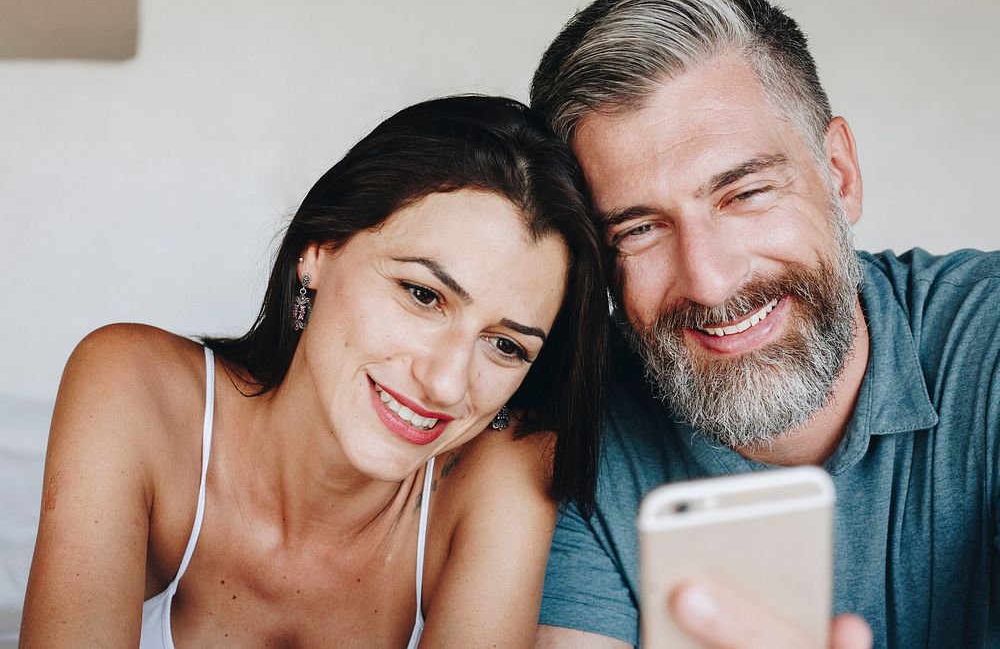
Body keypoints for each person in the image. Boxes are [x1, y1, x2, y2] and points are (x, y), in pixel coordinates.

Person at [19, 95, 609, 648]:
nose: (448, 383)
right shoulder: (133, 388)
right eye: (423, 295)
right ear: (319, 252)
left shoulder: (505, 471)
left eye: (505, 345)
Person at [529, 0, 1000, 648]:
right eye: (638, 230)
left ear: (839, 173)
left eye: (745, 193)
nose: (709, 279)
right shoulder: (576, 428)